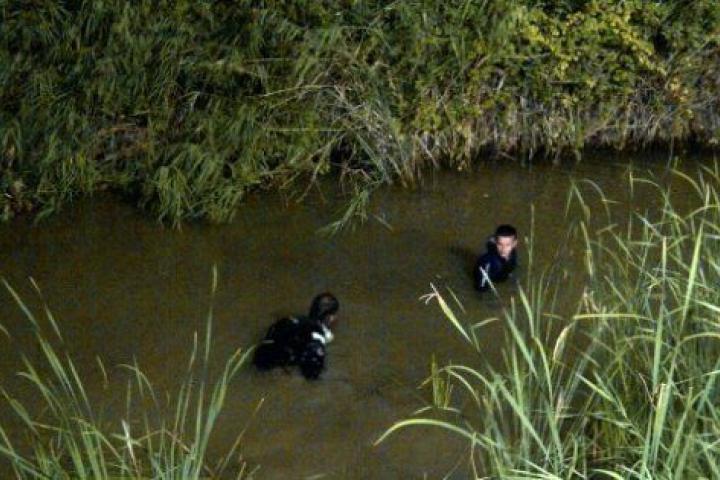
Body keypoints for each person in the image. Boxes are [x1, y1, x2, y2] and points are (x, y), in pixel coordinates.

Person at [253, 292, 340, 380]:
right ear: (329, 317)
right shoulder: (317, 333)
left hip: (261, 355)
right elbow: (313, 365)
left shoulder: (292, 320)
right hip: (279, 364)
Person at [474, 224, 518, 292]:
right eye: (500, 244)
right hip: (489, 273)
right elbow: (481, 287)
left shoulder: (512, 252)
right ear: (495, 243)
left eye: (507, 245)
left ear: (514, 244)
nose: (503, 249)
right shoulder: (488, 263)